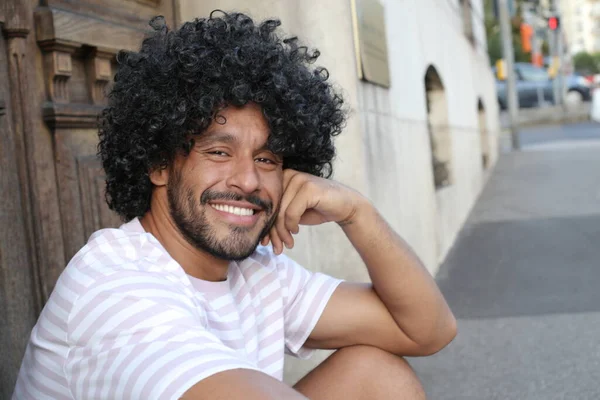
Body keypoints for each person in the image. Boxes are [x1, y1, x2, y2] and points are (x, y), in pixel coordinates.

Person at [13, 11, 456, 400]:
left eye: (266, 159)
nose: (247, 180)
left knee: (377, 375)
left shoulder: (257, 272)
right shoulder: (113, 287)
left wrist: (357, 213)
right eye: (218, 152)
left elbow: (425, 330)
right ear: (159, 164)